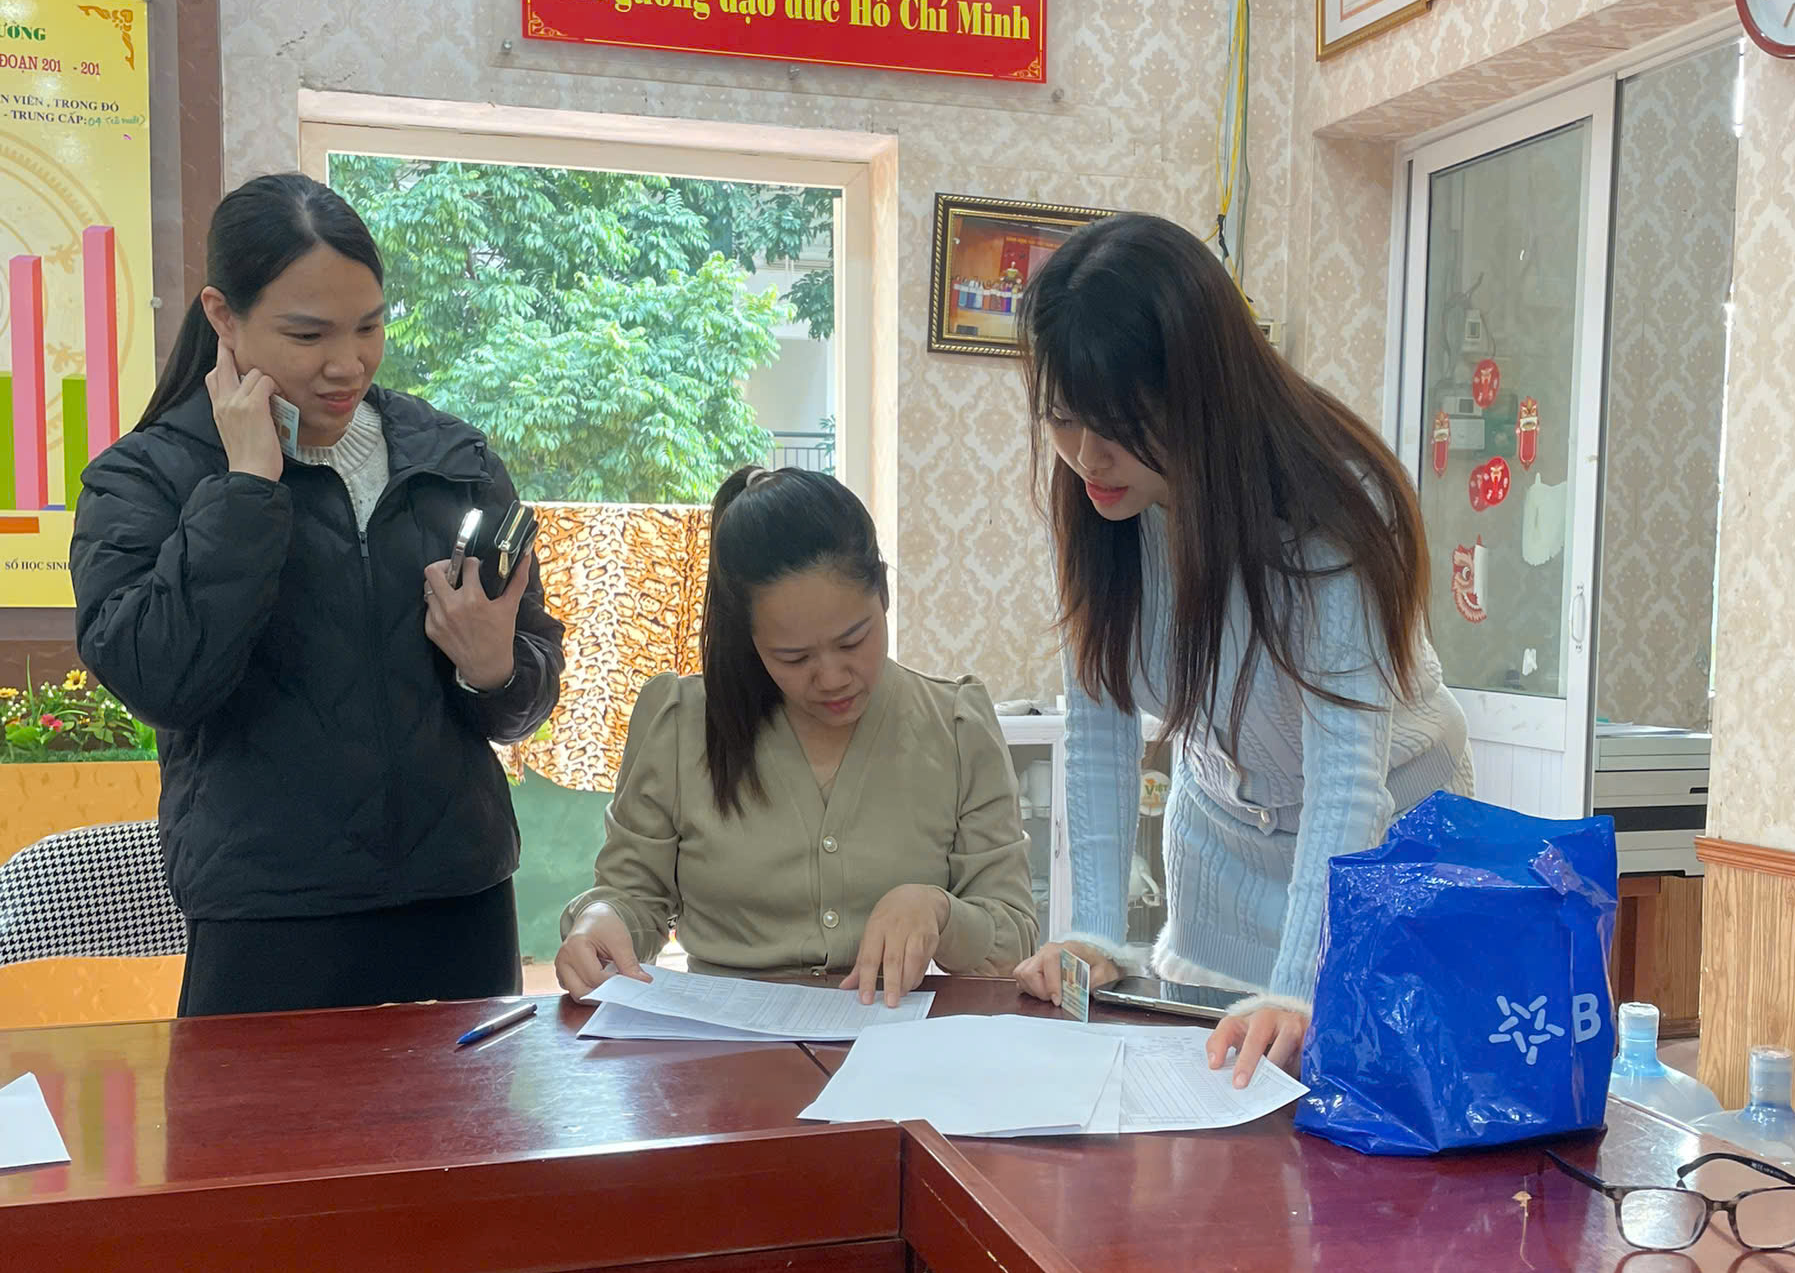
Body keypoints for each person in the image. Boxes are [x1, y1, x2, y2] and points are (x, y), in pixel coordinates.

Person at [73, 172, 563, 1017]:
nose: (348, 364)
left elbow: (525, 695)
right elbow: (160, 681)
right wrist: (245, 488)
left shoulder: (451, 460)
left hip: (462, 907)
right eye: (307, 335)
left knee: (465, 1112)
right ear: (223, 316)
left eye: (369, 326)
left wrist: (495, 669)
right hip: (269, 924)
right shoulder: (146, 476)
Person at [1011, 213, 1470, 1083]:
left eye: (1119, 424)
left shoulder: (1332, 504)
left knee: (1367, 1088)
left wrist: (1297, 986)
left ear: (1198, 391)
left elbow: (1347, 776)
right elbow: (1099, 726)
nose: (1086, 458)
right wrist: (1094, 934)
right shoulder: (1100, 502)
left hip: (1384, 838)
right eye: (1063, 420)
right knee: (1213, 1095)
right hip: (1222, 845)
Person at [556, 465, 1036, 1005]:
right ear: (750, 637)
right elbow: (632, 895)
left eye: (853, 641)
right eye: (794, 657)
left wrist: (939, 912)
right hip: (721, 1040)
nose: (831, 678)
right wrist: (601, 919)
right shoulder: (680, 722)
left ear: (883, 590)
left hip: (893, 1035)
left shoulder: (956, 725)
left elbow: (1013, 934)